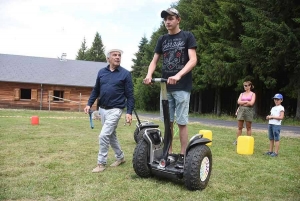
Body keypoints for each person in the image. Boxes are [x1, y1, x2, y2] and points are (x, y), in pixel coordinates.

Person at [143, 8, 197, 169]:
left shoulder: (187, 36)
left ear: (178, 19)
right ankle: (169, 153)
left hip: (181, 86)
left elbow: (193, 60)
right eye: (165, 19)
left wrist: (179, 75)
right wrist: (149, 74)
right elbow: (154, 61)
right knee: (168, 122)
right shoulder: (162, 39)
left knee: (181, 122)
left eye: (171, 18)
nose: (167, 21)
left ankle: (182, 155)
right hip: (165, 87)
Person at [84, 49, 134, 173]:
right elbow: (96, 90)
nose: (117, 57)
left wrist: (129, 112)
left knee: (103, 135)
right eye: (114, 55)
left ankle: (101, 163)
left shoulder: (125, 74)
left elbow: (130, 95)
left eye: (119, 55)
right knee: (111, 136)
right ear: (108, 58)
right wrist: (89, 104)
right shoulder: (101, 72)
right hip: (103, 109)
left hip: (116, 110)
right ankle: (120, 157)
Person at [234, 81, 256, 145]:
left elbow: (251, 103)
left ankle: (248, 141)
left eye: (246, 85)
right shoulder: (242, 94)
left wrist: (243, 102)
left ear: (250, 86)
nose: (245, 87)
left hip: (249, 110)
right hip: (241, 110)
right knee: (239, 127)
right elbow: (238, 102)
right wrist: (247, 101)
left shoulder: (253, 94)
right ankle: (237, 141)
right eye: (244, 85)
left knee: (248, 127)